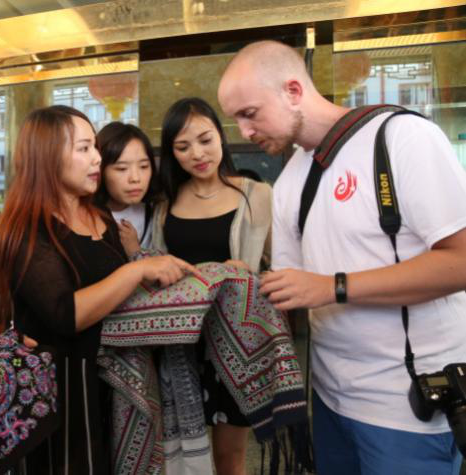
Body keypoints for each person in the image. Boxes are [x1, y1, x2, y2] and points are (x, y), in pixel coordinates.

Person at [218, 40, 466, 475]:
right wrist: (244, 284)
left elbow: (459, 261)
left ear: (293, 90)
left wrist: (333, 286)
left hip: (407, 406)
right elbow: (296, 286)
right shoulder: (291, 178)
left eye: (250, 113)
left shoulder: (402, 138)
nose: (244, 132)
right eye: (236, 119)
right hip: (330, 400)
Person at [0, 105, 199, 475]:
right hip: (59, 393)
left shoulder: (100, 216)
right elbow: (65, 314)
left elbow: (119, 293)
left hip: (112, 383)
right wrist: (136, 270)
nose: (97, 158)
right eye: (84, 148)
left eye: (95, 148)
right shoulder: (26, 228)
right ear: (48, 156)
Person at [149, 97, 272, 475]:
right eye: (182, 147)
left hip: (235, 347)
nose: (197, 154)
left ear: (221, 135)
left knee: (230, 459)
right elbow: (156, 270)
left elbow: (284, 270)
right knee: (179, 456)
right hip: (179, 346)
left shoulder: (257, 195)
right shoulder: (165, 203)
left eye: (205, 140)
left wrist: (249, 275)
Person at [95, 121, 160, 256]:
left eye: (143, 166)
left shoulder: (155, 212)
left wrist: (135, 251)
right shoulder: (85, 217)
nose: (135, 178)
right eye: (122, 168)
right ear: (100, 170)